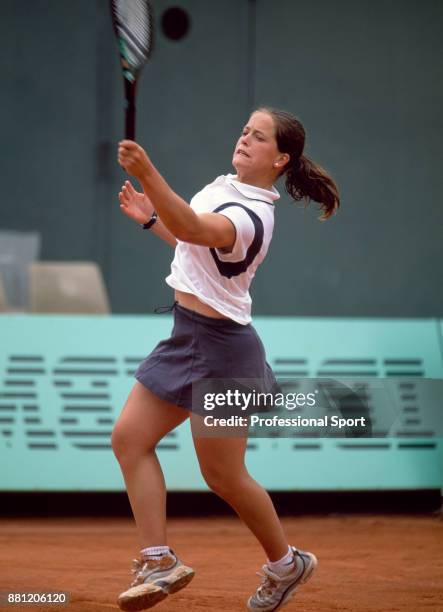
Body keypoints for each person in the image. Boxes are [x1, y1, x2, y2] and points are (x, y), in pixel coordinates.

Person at [112, 107, 340, 612]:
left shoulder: (253, 215)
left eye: (259, 139)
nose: (245, 140)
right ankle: (158, 559)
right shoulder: (226, 187)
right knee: (129, 438)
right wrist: (153, 219)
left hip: (224, 351)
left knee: (224, 476)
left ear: (280, 159)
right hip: (186, 334)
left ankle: (287, 565)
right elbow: (195, 247)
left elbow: (195, 228)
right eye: (244, 131)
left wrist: (148, 171)